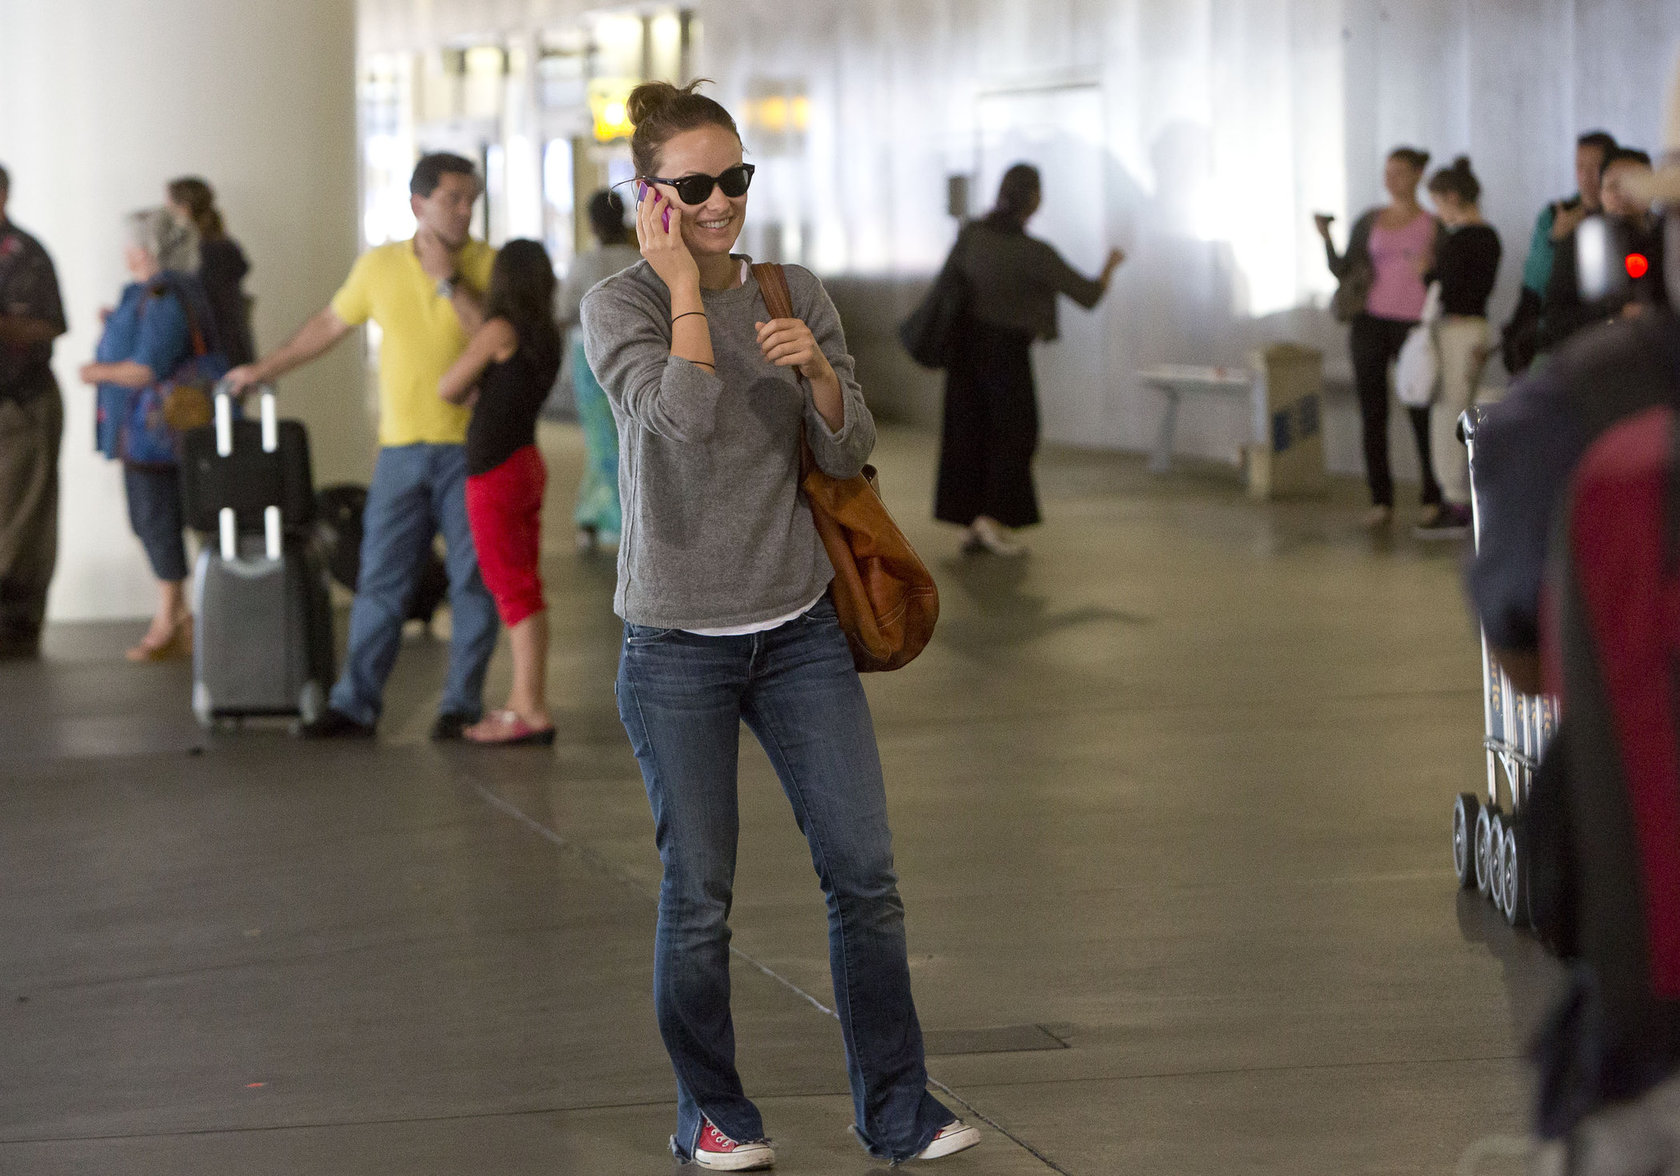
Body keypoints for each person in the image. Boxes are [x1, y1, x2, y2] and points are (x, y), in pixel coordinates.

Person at [580, 79, 981, 1169]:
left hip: (799, 625)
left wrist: (823, 384)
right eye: (696, 185)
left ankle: (897, 1109)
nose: (722, 203)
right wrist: (685, 290)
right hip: (674, 647)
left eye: (736, 179)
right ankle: (710, 1113)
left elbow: (849, 458)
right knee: (699, 895)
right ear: (649, 195)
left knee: (865, 875)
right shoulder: (621, 306)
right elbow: (685, 422)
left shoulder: (792, 287)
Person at [225, 153, 498, 741]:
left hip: (470, 451)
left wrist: (448, 279)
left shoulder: (491, 266)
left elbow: (496, 339)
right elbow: (327, 326)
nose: (465, 210)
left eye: (471, 199)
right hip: (401, 452)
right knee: (381, 580)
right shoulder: (378, 268)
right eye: (453, 198)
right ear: (417, 204)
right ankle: (355, 704)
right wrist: (262, 367)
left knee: (475, 581)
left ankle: (461, 706)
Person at [932, 163, 1122, 556]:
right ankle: (992, 520)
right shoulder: (1035, 253)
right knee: (1015, 436)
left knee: (969, 434)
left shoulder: (971, 237)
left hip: (964, 354)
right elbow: (1088, 295)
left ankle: (972, 522)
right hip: (1005, 354)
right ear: (1033, 199)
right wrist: (1110, 266)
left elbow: (948, 288)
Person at [439, 239, 562, 745]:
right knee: (524, 585)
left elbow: (448, 386)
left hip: (496, 475)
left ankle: (529, 707)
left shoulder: (498, 330)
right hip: (526, 463)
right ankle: (524, 699)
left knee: (511, 589)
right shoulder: (544, 335)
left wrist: (474, 378)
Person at [79, 208, 207, 661]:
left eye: (133, 244)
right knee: (153, 520)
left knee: (156, 520)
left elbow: (146, 367)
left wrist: (96, 371)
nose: (126, 252)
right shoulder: (153, 294)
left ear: (149, 249)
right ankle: (181, 616)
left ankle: (169, 619)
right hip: (148, 436)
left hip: (155, 436)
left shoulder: (164, 294)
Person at [1316, 146, 1447, 527]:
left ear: (1418, 175)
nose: (1391, 180)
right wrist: (1326, 238)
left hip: (1413, 326)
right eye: (1387, 172)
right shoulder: (1370, 220)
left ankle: (1431, 495)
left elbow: (1448, 276)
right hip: (1370, 321)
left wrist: (1429, 271)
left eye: (1400, 172)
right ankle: (1381, 499)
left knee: (1420, 409)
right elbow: (1344, 268)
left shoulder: (1433, 223)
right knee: (1372, 412)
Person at [0, 163, 68, 660]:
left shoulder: (26, 255)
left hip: (21, 403)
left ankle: (15, 627)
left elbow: (48, 325)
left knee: (22, 521)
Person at [1414, 156, 1501, 540]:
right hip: (1468, 330)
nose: (1437, 212)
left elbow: (1453, 287)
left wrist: (1429, 271)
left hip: (1459, 331)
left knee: (1450, 412)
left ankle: (1457, 503)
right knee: (1453, 409)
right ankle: (1458, 501)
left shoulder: (1465, 238)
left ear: (1452, 197)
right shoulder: (1485, 238)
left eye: (1438, 203)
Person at [557, 189, 639, 552]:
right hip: (633, 358)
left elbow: (562, 313)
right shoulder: (639, 259)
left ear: (591, 223)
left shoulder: (584, 264)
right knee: (628, 436)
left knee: (600, 440)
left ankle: (599, 515)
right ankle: (622, 514)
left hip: (589, 360)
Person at [1500, 130, 1617, 376]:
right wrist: (1558, 240)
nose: (1587, 177)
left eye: (1596, 168)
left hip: (1604, 334)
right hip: (1553, 333)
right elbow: (1536, 281)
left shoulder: (1619, 219)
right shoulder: (1555, 214)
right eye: (1579, 167)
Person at [1539, 148, 1667, 353]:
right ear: (1601, 193)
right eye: (1614, 186)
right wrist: (1613, 316)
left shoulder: (1666, 242)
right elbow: (1555, 322)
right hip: (1593, 361)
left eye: (1633, 185)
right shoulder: (1579, 244)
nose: (1623, 195)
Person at [166, 176, 255, 368]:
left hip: (209, 362)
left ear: (184, 209)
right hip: (232, 355)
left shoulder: (199, 256)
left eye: (170, 207)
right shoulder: (222, 246)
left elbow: (195, 311)